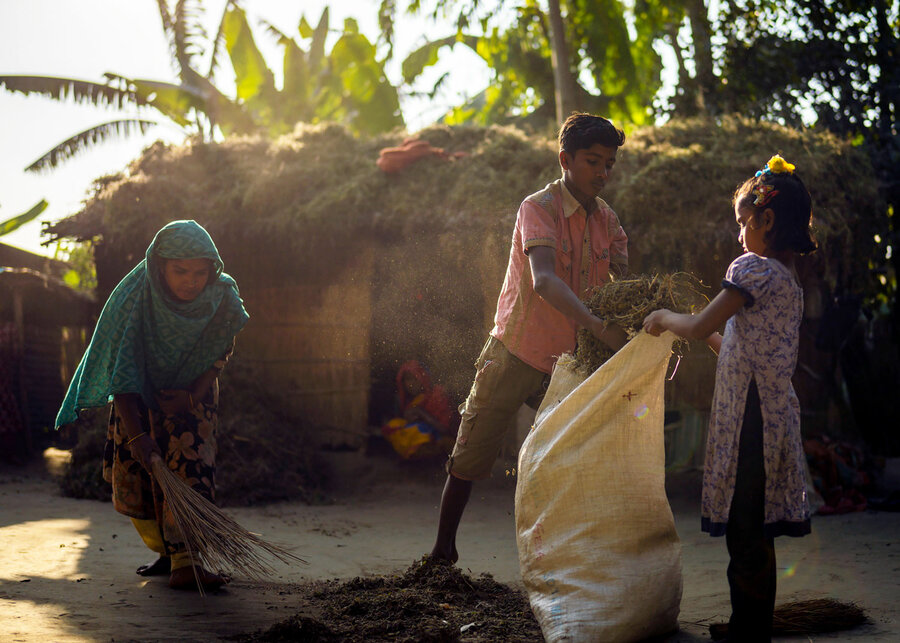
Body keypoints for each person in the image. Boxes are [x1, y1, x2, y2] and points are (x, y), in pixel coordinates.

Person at [430, 113, 630, 563]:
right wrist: (599, 327)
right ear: (565, 159)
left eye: (609, 164)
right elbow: (543, 280)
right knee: (470, 454)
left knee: (574, 455)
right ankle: (442, 553)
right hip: (515, 351)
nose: (602, 172)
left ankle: (568, 557)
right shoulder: (538, 208)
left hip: (570, 362)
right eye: (593, 161)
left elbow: (624, 284)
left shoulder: (608, 221)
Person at [643, 155, 816, 642]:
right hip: (772, 412)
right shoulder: (789, 281)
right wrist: (694, 330)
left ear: (766, 220)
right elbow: (734, 342)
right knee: (754, 525)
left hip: (752, 418)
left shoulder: (754, 269)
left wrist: (663, 316)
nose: (739, 234)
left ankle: (749, 631)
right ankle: (749, 624)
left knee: (745, 526)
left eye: (743, 223)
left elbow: (700, 326)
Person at [55, 220, 249, 592]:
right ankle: (168, 553)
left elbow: (222, 349)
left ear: (213, 269)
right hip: (138, 397)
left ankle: (187, 561)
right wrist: (140, 435)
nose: (191, 281)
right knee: (145, 473)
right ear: (159, 266)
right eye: (180, 271)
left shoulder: (222, 296)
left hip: (194, 397)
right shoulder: (136, 298)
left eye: (199, 271)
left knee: (191, 469)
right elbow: (122, 368)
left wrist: (191, 396)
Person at [380, 360, 455, 459]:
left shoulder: (437, 396)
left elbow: (445, 429)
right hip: (422, 436)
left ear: (423, 378)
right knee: (394, 425)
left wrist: (420, 413)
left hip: (441, 438)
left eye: (415, 379)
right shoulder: (409, 400)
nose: (411, 384)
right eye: (407, 379)